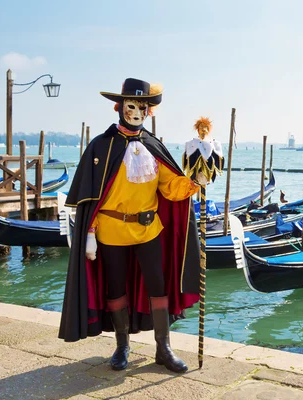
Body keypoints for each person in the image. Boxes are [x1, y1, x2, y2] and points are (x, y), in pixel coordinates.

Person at [59, 78, 206, 374]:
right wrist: (88, 233)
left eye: (142, 106)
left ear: (149, 111)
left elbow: (170, 188)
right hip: (111, 231)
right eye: (131, 105)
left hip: (149, 230)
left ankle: (163, 348)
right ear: (118, 107)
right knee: (115, 288)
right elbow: (92, 198)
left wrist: (196, 179)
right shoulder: (101, 146)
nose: (136, 111)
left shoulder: (154, 146)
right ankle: (121, 345)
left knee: (158, 285)